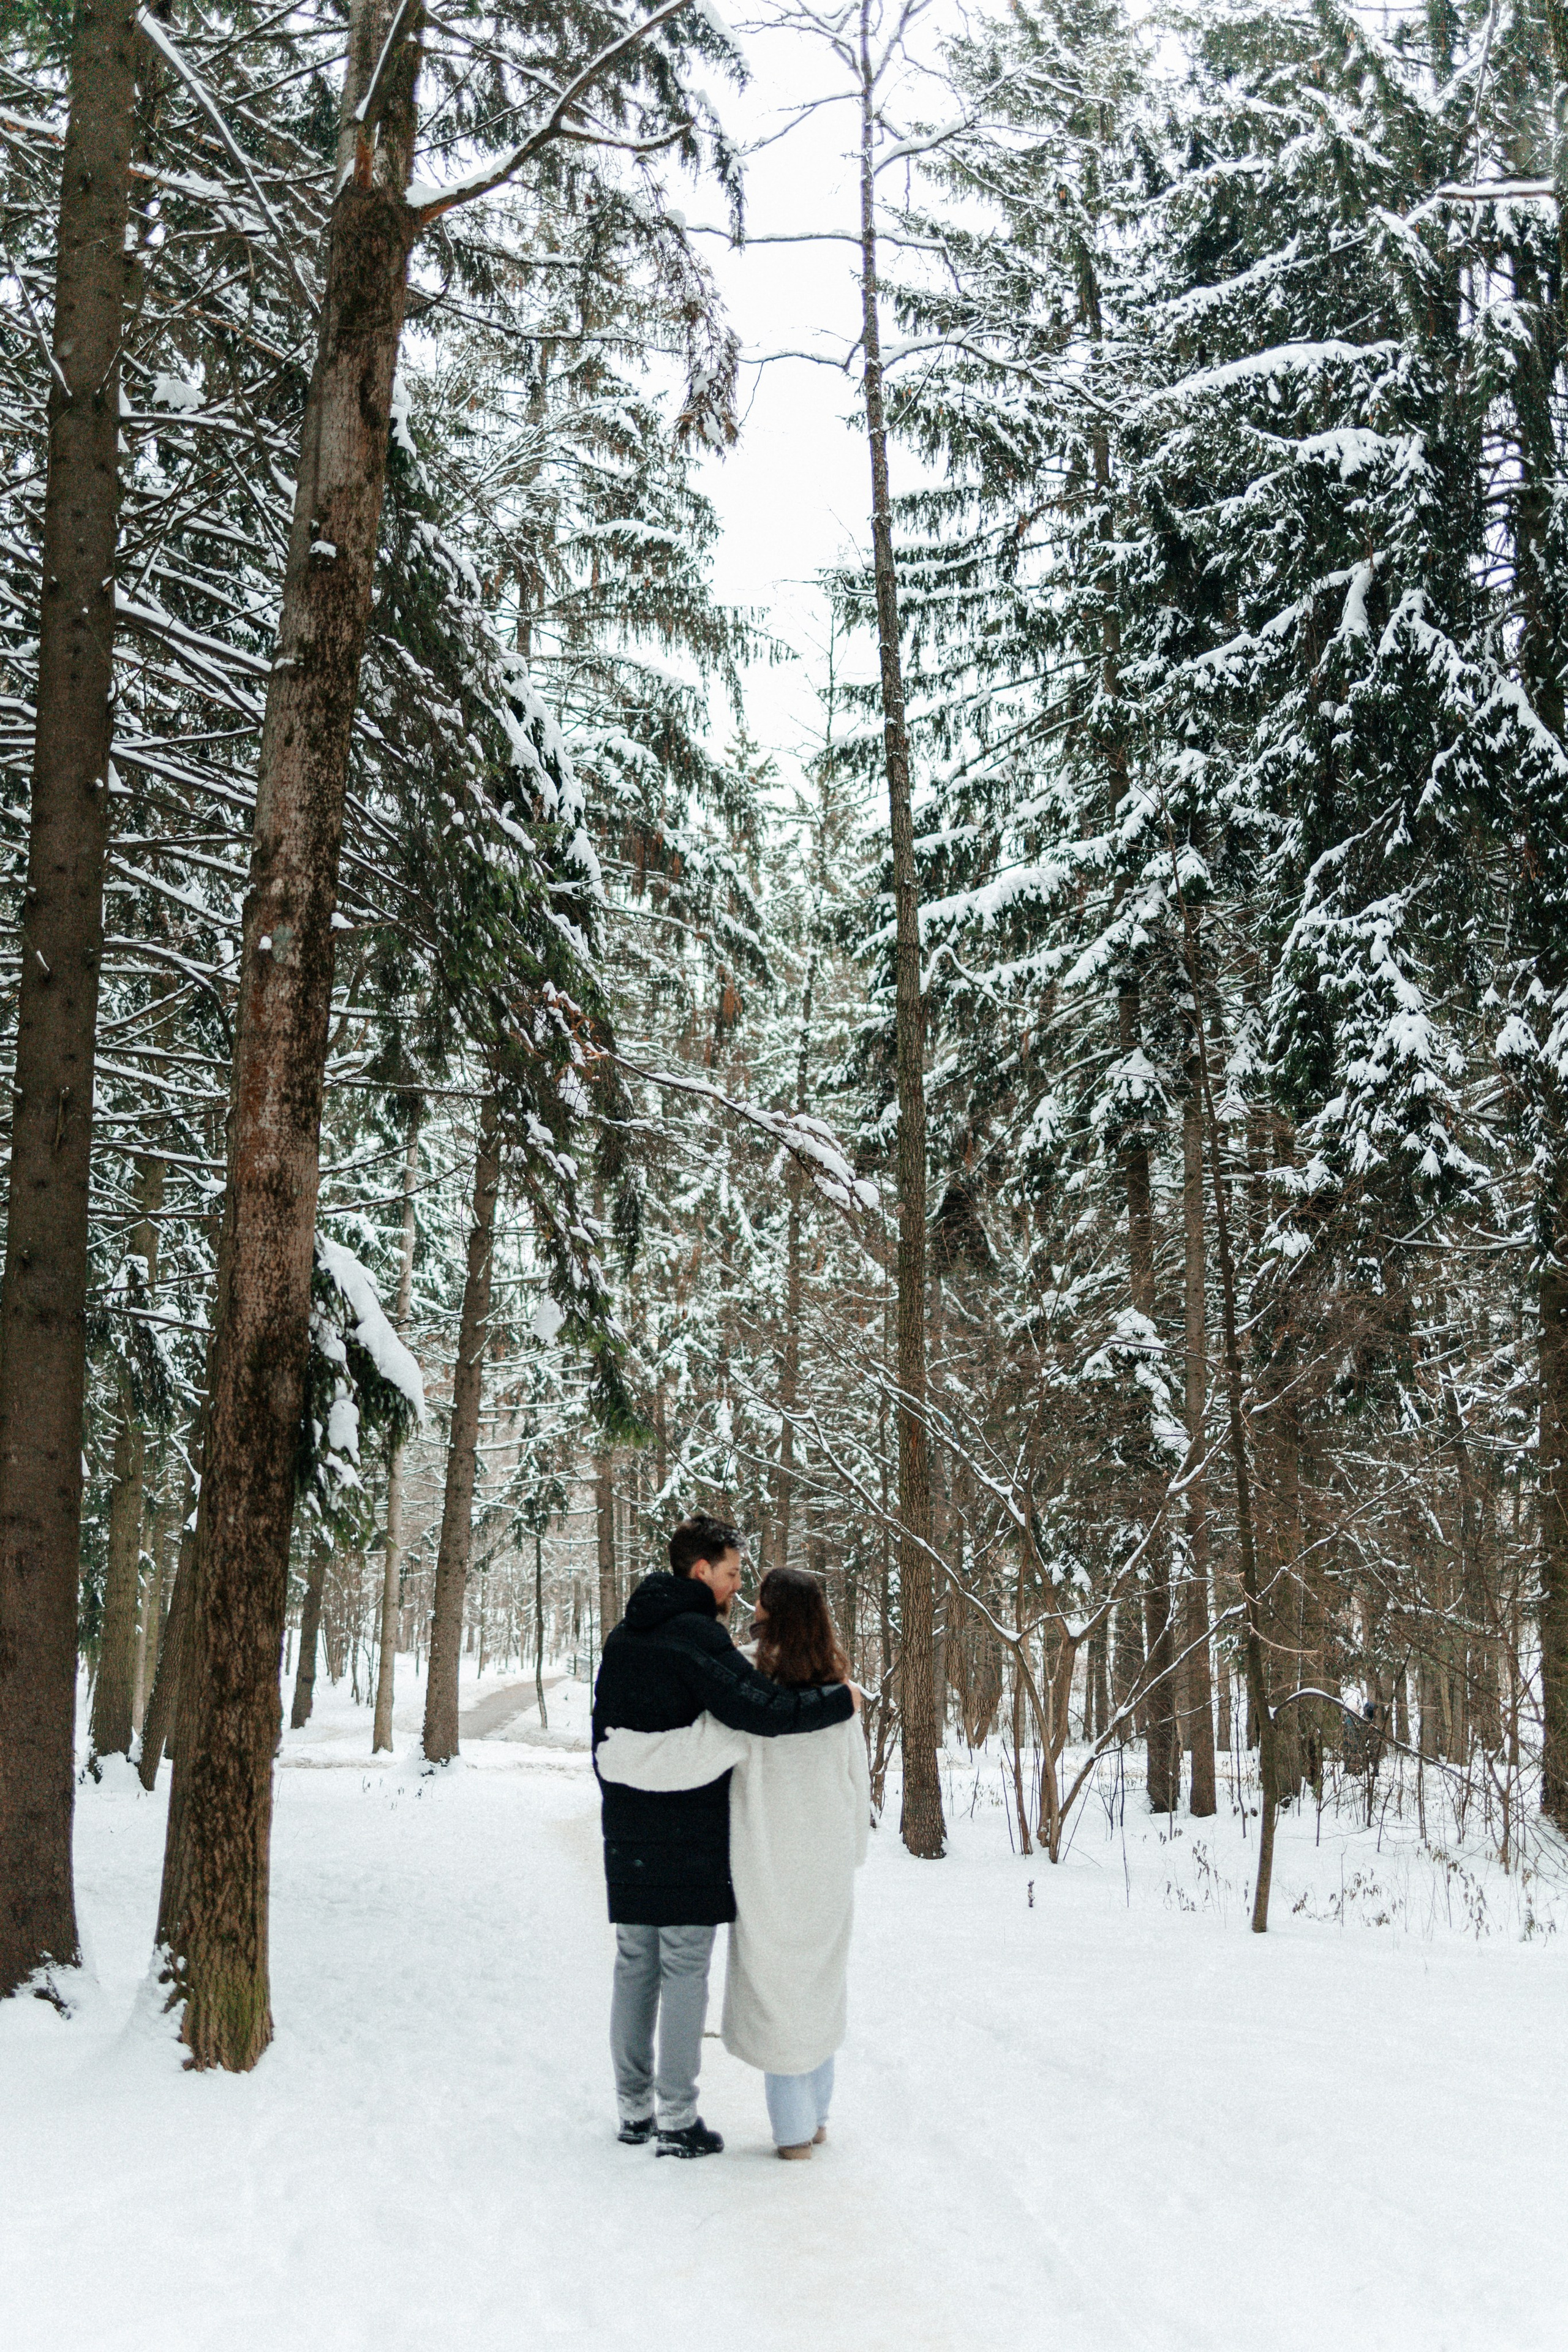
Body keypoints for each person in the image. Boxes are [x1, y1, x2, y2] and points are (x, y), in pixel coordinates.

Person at [591, 1515, 858, 2160]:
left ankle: (634, 2110)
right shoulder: (700, 1638)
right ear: (700, 1570)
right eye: (733, 1573)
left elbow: (608, 1729)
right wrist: (839, 1701)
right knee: (684, 1968)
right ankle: (677, 2117)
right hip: (690, 1833)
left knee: (634, 1966)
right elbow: (759, 1713)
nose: (739, 1586)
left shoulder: (623, 1636)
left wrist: (615, 1770)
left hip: (628, 1828)